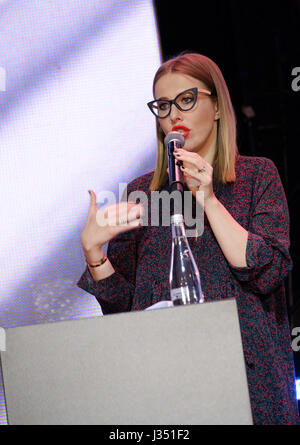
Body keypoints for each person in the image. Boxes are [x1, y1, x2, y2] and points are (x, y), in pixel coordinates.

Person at [77, 52, 299, 425]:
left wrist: (209, 199)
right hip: (166, 384)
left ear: (215, 107)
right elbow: (123, 313)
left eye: (186, 100)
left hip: (250, 383)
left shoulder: (256, 176)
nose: (174, 115)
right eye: (163, 106)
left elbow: (266, 271)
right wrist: (94, 254)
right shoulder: (142, 194)